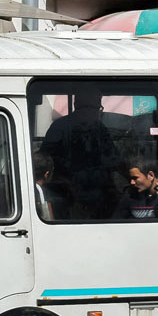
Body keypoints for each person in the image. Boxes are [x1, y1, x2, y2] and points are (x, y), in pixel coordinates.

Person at [41, 90, 120, 219]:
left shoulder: (100, 129)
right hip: (66, 194)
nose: (97, 113)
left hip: (97, 193)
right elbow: (44, 160)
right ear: (80, 108)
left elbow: (113, 158)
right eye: (96, 109)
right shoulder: (60, 127)